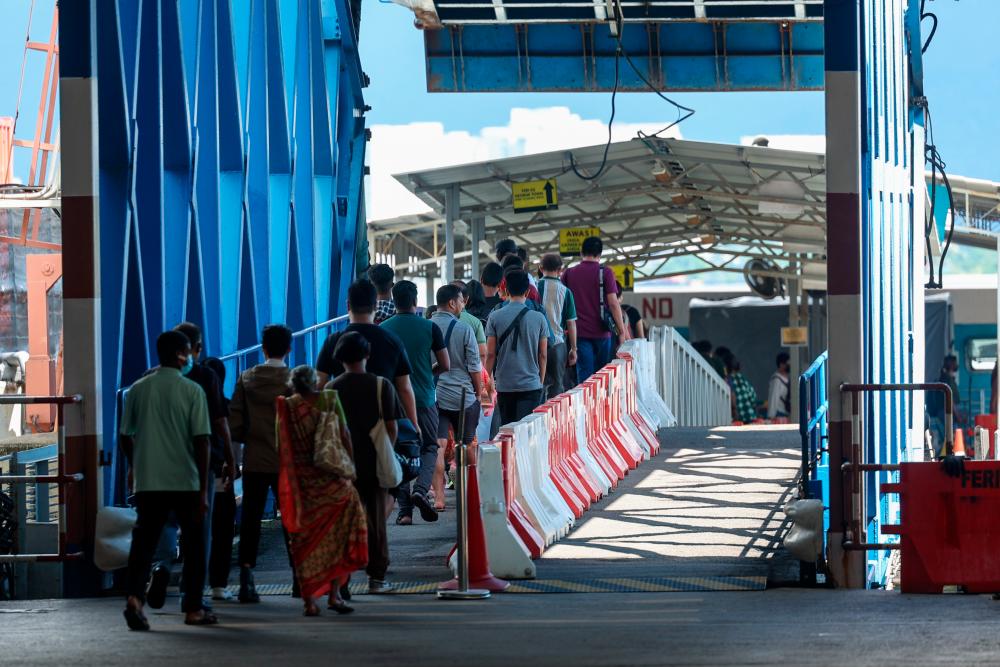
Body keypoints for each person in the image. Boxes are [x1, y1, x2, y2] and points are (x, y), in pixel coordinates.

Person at [120, 330, 215, 630]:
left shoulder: (136, 390)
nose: (191, 357)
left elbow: (126, 436)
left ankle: (135, 599)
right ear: (180, 355)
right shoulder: (192, 391)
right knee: (195, 545)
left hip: (149, 479)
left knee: (143, 543)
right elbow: (202, 443)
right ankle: (193, 608)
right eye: (188, 351)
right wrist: (202, 491)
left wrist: (134, 466)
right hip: (185, 480)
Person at [144, 322, 232, 611]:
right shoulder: (206, 377)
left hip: (160, 462)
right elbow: (216, 424)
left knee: (165, 521)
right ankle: (191, 595)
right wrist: (230, 458)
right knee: (198, 531)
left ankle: (160, 566)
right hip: (196, 464)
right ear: (194, 348)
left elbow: (132, 431)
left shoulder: (147, 379)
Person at [276, 365, 368, 616]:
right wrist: (350, 467)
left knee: (304, 542)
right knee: (339, 537)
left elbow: (281, 446)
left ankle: (309, 601)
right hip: (334, 481)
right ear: (316, 382)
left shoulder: (286, 407)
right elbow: (344, 435)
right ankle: (335, 596)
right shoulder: (329, 399)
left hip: (304, 485)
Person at [326, 332, 403, 594]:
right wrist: (386, 451)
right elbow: (391, 428)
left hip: (343, 465)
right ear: (367, 355)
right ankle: (377, 579)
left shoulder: (331, 389)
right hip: (374, 461)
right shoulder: (382, 386)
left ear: (339, 358)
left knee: (343, 521)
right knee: (376, 522)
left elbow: (328, 430)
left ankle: (342, 579)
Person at [229, 324, 294, 603]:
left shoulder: (246, 379)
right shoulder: (295, 380)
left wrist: (237, 458)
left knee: (251, 520)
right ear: (289, 348)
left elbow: (235, 424)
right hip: (288, 462)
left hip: (255, 459)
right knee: (293, 520)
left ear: (263, 347)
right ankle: (300, 579)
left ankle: (246, 579)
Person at [380, 280, 449, 525]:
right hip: (425, 397)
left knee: (399, 451)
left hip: (393, 400)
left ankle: (404, 511)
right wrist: (429, 372)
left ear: (393, 300)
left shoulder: (384, 328)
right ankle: (422, 489)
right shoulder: (429, 327)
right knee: (430, 446)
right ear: (414, 300)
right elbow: (446, 364)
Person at [316, 279, 420, 435]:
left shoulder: (333, 341)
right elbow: (404, 388)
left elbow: (319, 385)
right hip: (382, 426)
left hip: (343, 428)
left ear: (348, 305)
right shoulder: (392, 341)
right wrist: (414, 424)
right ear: (376, 306)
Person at [430, 284, 487, 509]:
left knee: (438, 446)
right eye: (462, 301)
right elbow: (475, 366)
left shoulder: (427, 326)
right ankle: (471, 493)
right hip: (463, 396)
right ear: (452, 303)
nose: (463, 305)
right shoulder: (464, 329)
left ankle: (439, 498)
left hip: (436, 396)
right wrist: (477, 390)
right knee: (467, 445)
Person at [560, 236, 629, 383]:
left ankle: (586, 406)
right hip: (603, 332)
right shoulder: (606, 272)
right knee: (603, 377)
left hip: (578, 333)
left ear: (581, 252)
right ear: (600, 254)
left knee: (585, 379)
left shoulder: (569, 273)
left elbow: (562, 304)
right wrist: (622, 332)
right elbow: (613, 303)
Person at [485, 270, 549, 427]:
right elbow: (543, 355)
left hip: (505, 384)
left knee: (507, 429)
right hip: (530, 384)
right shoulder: (539, 318)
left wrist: (487, 382)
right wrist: (539, 380)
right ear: (527, 291)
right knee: (525, 432)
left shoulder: (494, 316)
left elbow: (491, 354)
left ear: (506, 290)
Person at [203, 357, 237, 602]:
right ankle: (218, 584)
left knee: (197, 531)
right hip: (220, 476)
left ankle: (190, 586)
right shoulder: (227, 407)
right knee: (223, 531)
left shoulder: (191, 402)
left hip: (192, 477)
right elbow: (233, 441)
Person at [538, 253, 578, 399]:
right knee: (557, 385)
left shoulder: (535, 288)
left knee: (538, 383)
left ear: (540, 268)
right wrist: (573, 348)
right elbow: (571, 323)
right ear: (560, 270)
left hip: (537, 343)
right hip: (558, 345)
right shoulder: (566, 292)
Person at [726, 356, 759, 423]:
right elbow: (753, 396)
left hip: (736, 418)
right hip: (749, 415)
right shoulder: (743, 380)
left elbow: (731, 398)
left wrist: (735, 410)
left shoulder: (728, 380)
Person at [767, 352, 791, 420]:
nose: (789, 365)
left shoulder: (788, 378)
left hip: (787, 414)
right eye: (788, 363)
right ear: (781, 364)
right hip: (779, 415)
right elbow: (773, 398)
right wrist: (771, 416)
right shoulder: (776, 380)